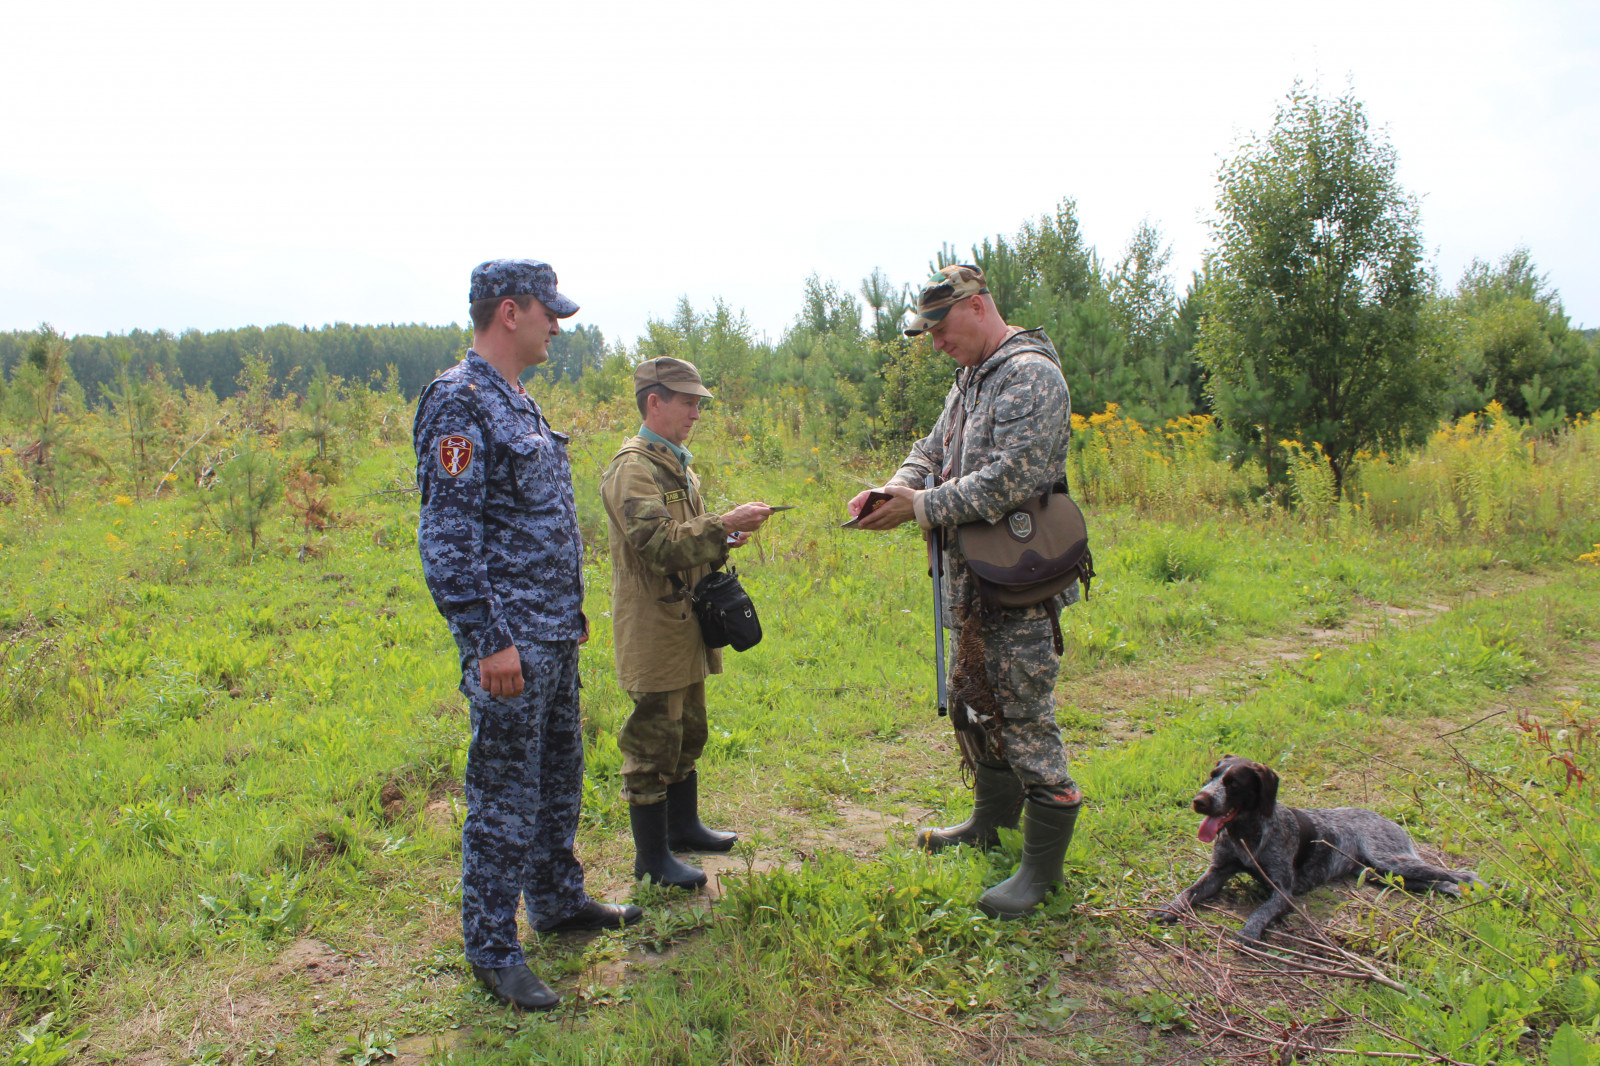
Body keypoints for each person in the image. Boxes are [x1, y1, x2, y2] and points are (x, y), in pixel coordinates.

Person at [414, 258, 641, 1012]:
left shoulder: (519, 401)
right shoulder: (460, 403)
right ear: (509, 313)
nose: (557, 326)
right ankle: (491, 946)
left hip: (551, 636)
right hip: (510, 643)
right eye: (550, 313)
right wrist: (489, 641)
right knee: (504, 794)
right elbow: (448, 539)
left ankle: (555, 900)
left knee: (554, 780)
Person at [848, 264, 1084, 919]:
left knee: (1025, 721)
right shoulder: (972, 378)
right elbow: (932, 449)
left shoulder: (1030, 375)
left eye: (942, 328)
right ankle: (989, 824)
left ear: (978, 306)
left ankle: (1041, 871)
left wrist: (919, 507)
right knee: (975, 704)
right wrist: (896, 488)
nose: (935, 343)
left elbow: (1009, 480)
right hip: (975, 583)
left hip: (1019, 583)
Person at [600, 357, 772, 889]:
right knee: (655, 735)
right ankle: (652, 860)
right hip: (654, 627)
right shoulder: (634, 468)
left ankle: (683, 827)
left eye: (699, 401)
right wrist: (723, 525)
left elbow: (686, 533)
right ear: (655, 401)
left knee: (687, 727)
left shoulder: (675, 464)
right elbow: (655, 546)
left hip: (684, 623)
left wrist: (724, 537)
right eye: (688, 401)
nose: (697, 411)